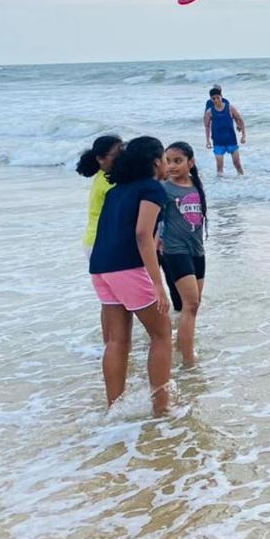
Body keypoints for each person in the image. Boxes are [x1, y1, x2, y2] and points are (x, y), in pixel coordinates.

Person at [89, 136, 173, 415]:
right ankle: (162, 409)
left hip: (101, 267)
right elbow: (141, 233)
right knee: (161, 335)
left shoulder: (116, 190)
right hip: (129, 268)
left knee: (116, 340)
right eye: (163, 158)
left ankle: (114, 408)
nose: (166, 164)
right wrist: (157, 283)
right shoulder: (152, 188)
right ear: (154, 161)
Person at [160, 141, 207, 367]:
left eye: (177, 161)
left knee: (194, 305)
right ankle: (189, 361)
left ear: (191, 162)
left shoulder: (196, 186)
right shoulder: (164, 189)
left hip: (197, 251)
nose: (171, 166)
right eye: (168, 161)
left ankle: (182, 345)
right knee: (191, 304)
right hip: (175, 250)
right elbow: (154, 220)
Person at [76, 135, 122, 252]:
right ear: (101, 158)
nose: (123, 157)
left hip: (95, 239)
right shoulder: (109, 181)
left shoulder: (104, 176)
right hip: (101, 242)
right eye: (118, 154)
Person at [204, 87, 246, 175]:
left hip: (231, 140)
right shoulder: (209, 111)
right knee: (219, 167)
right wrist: (207, 140)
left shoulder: (230, 108)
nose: (216, 100)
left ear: (221, 97)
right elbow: (207, 126)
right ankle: (221, 186)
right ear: (211, 99)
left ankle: (243, 182)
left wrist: (243, 135)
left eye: (217, 98)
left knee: (237, 164)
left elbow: (240, 120)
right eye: (213, 98)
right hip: (218, 142)